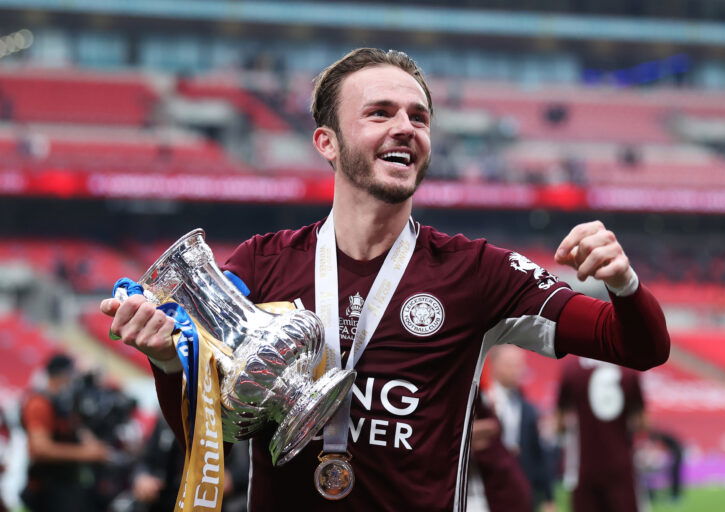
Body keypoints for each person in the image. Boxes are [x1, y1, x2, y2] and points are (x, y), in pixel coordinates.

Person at [100, 48, 670, 511]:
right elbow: (213, 433)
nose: (405, 128)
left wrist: (623, 282)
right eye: (380, 113)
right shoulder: (261, 263)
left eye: (418, 117)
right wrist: (171, 363)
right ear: (327, 141)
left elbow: (638, 346)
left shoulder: (478, 272)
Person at [20, 353, 110, 512]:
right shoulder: (39, 403)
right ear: (59, 375)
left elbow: (79, 432)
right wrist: (86, 453)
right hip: (45, 487)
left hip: (66, 485)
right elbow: (40, 449)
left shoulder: (65, 404)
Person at [557, 356, 647, 512]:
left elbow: (560, 422)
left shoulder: (572, 369)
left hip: (583, 467)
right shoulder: (629, 368)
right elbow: (641, 423)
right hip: (620, 466)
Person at [486, 345, 556, 512]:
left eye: (520, 365)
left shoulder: (529, 409)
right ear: (494, 365)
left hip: (522, 489)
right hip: (489, 488)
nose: (517, 370)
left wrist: (548, 497)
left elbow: (538, 453)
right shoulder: (482, 402)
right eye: (511, 364)